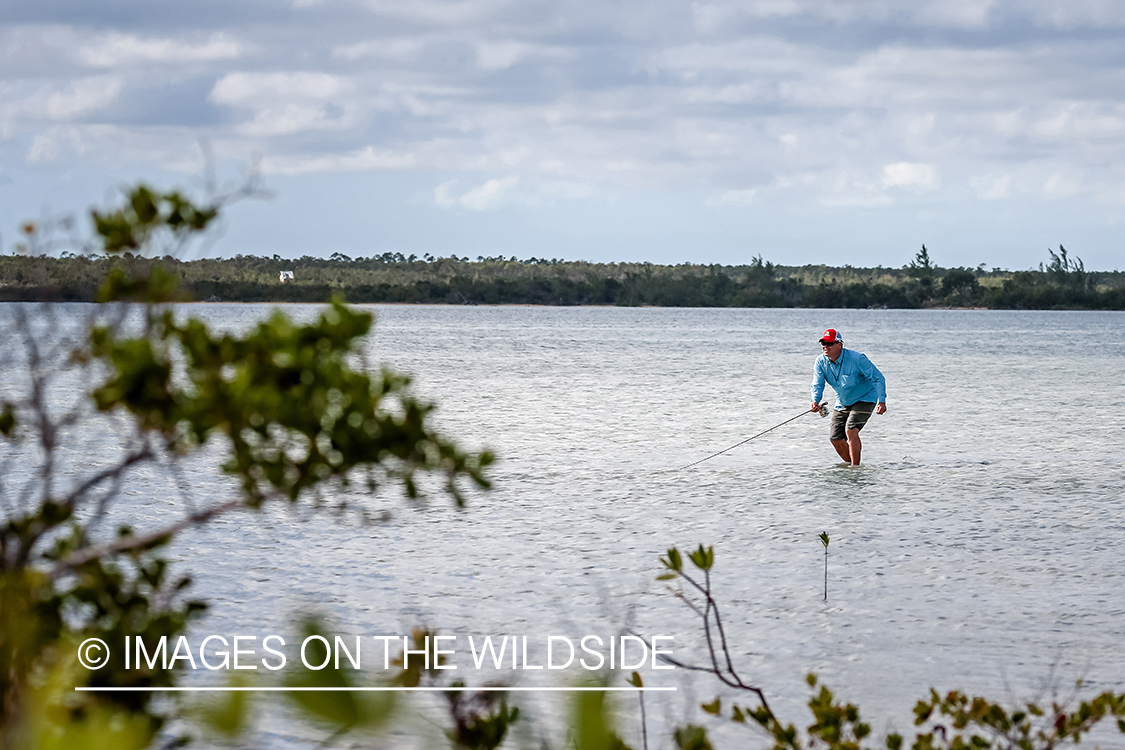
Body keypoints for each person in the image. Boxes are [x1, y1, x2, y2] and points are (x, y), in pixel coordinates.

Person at [809, 328, 886, 466]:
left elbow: (878, 378)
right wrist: (815, 400)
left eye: (829, 343)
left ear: (840, 344)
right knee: (835, 438)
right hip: (843, 402)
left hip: (866, 397)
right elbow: (817, 384)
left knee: (851, 429)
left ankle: (855, 469)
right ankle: (853, 469)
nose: (825, 346)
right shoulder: (820, 362)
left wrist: (882, 401)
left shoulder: (857, 359)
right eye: (823, 343)